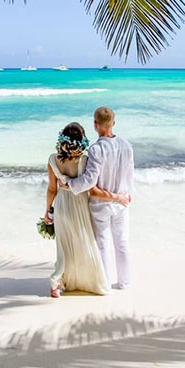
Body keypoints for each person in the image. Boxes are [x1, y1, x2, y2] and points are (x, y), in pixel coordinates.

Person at [45, 122, 130, 298]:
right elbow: (89, 187)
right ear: (82, 140)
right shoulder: (84, 160)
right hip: (80, 207)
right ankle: (87, 280)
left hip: (61, 206)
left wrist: (48, 210)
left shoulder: (52, 159)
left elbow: (52, 189)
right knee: (83, 244)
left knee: (63, 247)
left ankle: (57, 283)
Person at [62, 107, 134, 290]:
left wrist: (69, 184)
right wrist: (127, 194)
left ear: (95, 124)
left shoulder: (96, 149)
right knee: (122, 243)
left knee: (102, 244)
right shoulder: (127, 145)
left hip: (100, 204)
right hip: (121, 202)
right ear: (113, 123)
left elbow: (89, 180)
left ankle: (105, 285)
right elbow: (129, 174)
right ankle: (124, 282)